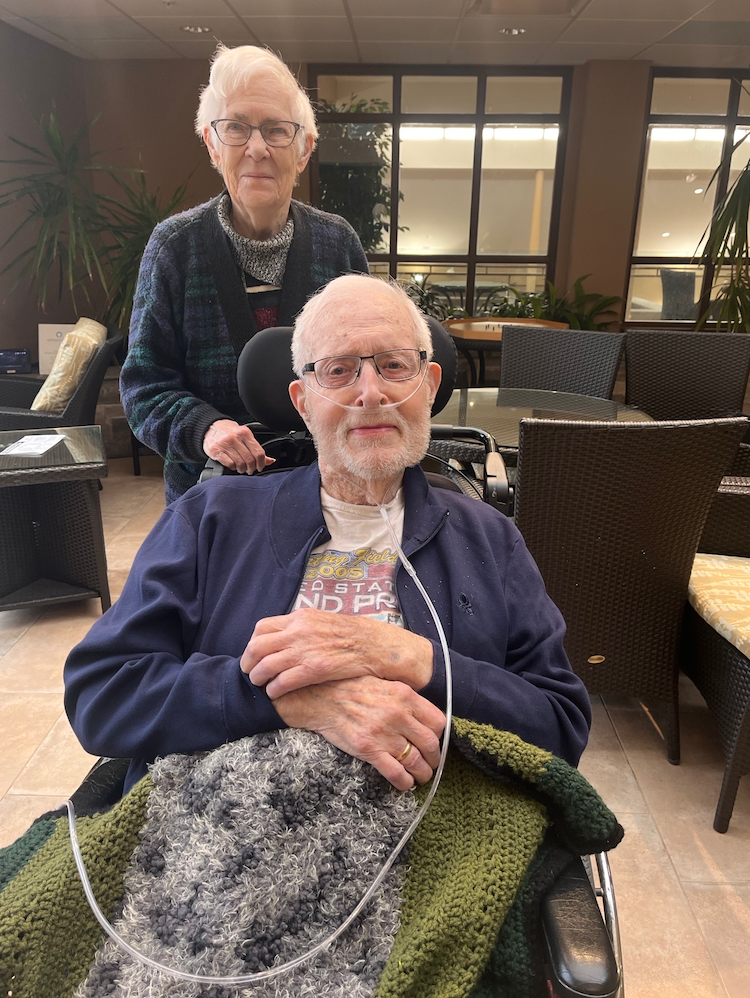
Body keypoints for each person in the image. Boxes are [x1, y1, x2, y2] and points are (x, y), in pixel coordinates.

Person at [66, 275, 591, 795]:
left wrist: (410, 657)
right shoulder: (210, 518)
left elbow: (560, 726)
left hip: (444, 831)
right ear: (303, 401)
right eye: (339, 371)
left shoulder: (491, 540)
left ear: (429, 386)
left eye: (394, 365)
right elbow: (102, 694)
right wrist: (285, 699)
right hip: (217, 825)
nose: (371, 393)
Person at [120, 44, 368, 503]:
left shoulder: (338, 245)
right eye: (236, 128)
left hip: (324, 493)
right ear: (212, 145)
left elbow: (366, 370)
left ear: (304, 149)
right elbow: (143, 386)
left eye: (277, 130)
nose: (257, 148)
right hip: (212, 497)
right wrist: (206, 428)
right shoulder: (174, 248)